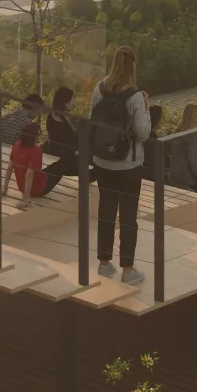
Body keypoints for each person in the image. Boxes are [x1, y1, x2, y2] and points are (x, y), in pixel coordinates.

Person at [89, 46, 152, 285]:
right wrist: (146, 107)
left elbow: (91, 119)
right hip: (128, 165)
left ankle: (104, 264)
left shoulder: (99, 88)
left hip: (102, 161)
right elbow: (143, 133)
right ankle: (127, 269)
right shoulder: (135, 96)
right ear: (132, 67)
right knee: (127, 216)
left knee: (106, 211)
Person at [40, 85, 81, 191]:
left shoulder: (56, 115)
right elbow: (69, 139)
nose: (74, 102)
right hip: (63, 155)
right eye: (73, 99)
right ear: (65, 101)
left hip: (63, 153)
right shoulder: (59, 121)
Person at [8, 116, 47, 206]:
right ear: (33, 137)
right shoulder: (36, 150)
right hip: (36, 189)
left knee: (48, 169)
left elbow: (10, 167)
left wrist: (5, 188)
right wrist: (26, 198)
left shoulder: (17, 144)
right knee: (61, 165)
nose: (38, 137)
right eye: (38, 135)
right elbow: (29, 174)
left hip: (22, 187)